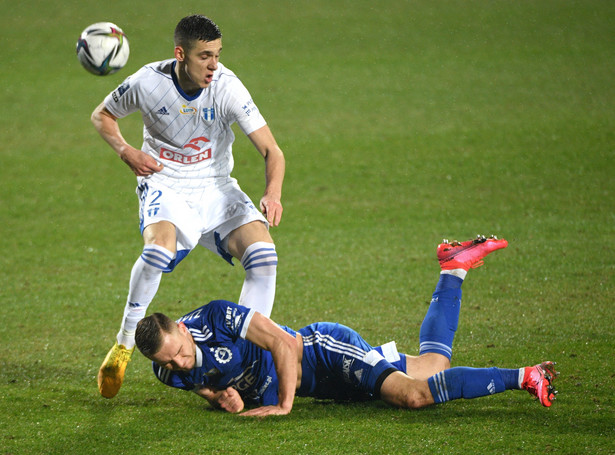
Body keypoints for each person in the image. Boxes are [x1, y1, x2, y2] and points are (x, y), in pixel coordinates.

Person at [135, 236, 559, 416]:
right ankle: (453, 268)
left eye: (178, 353)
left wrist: (284, 406)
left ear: (183, 330)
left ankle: (526, 376)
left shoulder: (214, 317)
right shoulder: (167, 368)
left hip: (323, 351)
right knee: (434, 368)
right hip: (324, 386)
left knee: (413, 397)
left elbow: (283, 343)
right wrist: (219, 398)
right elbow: (200, 383)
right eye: (167, 362)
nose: (178, 364)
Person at [92, 14, 285, 399]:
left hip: (215, 188)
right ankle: (124, 343)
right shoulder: (148, 82)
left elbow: (271, 149)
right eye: (204, 57)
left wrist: (273, 192)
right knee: (157, 251)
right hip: (165, 183)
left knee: (264, 256)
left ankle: (241, 358)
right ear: (180, 54)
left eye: (217, 55)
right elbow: (103, 115)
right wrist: (126, 151)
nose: (214, 65)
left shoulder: (227, 86)